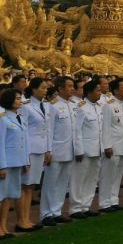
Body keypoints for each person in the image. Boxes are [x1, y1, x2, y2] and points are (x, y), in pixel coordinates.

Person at [41, 76, 81, 225]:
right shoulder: (53, 106)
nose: (72, 89)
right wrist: (48, 150)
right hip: (56, 150)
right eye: (69, 86)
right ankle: (46, 213)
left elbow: (76, 130)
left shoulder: (74, 105)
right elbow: (49, 130)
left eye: (73, 86)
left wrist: (78, 149)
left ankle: (56, 211)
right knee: (51, 183)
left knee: (63, 183)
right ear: (61, 88)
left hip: (69, 149)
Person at [0, 88, 27, 240]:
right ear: (9, 101)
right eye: (17, 98)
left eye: (20, 98)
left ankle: (4, 226)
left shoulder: (20, 118)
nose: (20, 101)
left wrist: (26, 161)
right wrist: (1, 165)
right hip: (6, 162)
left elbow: (25, 142)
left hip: (17, 161)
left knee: (8, 196)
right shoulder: (2, 119)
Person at [19, 77, 51, 231]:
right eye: (42, 88)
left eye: (46, 88)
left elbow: (47, 129)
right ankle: (22, 220)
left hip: (40, 149)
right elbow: (23, 130)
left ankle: (27, 218)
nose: (45, 91)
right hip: (30, 149)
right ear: (33, 89)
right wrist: (24, 154)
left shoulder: (45, 105)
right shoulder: (26, 106)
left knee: (31, 186)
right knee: (25, 186)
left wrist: (48, 150)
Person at [70, 80, 102, 219]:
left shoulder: (99, 107)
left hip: (97, 148)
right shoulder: (81, 107)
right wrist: (79, 150)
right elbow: (76, 130)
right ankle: (75, 208)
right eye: (97, 91)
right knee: (79, 179)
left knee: (92, 179)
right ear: (89, 92)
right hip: (85, 149)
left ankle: (86, 205)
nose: (100, 93)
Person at [99, 79, 123, 211]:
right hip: (113, 145)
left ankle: (114, 200)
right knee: (108, 175)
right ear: (116, 90)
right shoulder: (109, 105)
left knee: (117, 175)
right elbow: (105, 127)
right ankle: (105, 203)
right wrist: (107, 146)